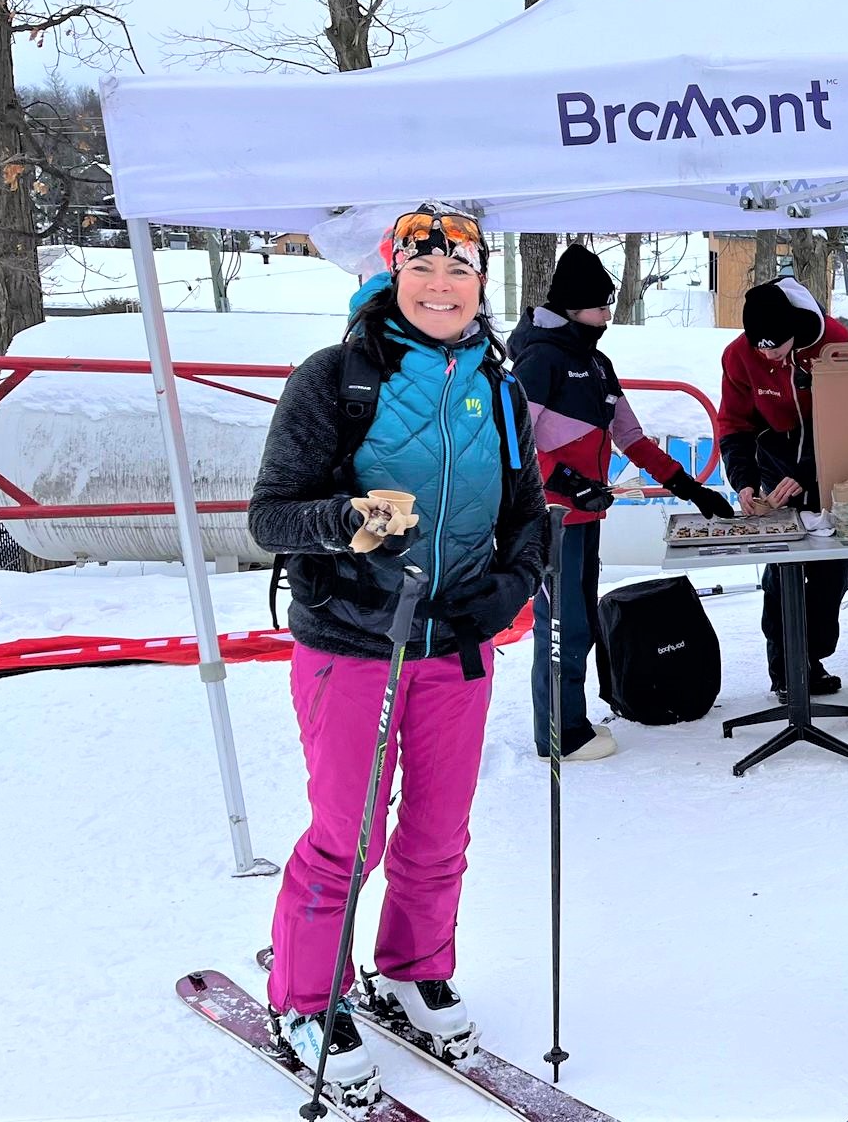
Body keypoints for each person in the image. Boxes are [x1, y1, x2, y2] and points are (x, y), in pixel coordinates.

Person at [248, 204, 547, 1099]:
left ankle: (415, 965)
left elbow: (528, 511)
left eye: (459, 270)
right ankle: (306, 995)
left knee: (438, 830)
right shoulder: (336, 378)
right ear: (395, 275)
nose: (442, 286)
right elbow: (269, 516)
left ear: (481, 283)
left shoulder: (500, 385)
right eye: (424, 269)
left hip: (456, 643)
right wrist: (347, 522)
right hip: (354, 640)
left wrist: (514, 582)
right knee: (348, 835)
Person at [511, 244, 734, 761]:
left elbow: (631, 437)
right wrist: (566, 481)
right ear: (571, 305)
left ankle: (572, 720)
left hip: (586, 514)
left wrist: (688, 486)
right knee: (560, 623)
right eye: (600, 306)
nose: (608, 315)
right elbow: (515, 442)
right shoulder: (539, 360)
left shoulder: (596, 361)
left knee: (582, 620)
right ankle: (558, 734)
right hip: (552, 516)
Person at [718, 275, 848, 699]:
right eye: (761, 349)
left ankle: (812, 656)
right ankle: (785, 669)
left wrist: (811, 471)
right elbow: (734, 424)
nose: (771, 357)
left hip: (832, 455)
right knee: (782, 570)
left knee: (832, 570)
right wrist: (743, 482)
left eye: (777, 348)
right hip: (775, 458)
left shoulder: (834, 340)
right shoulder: (739, 357)